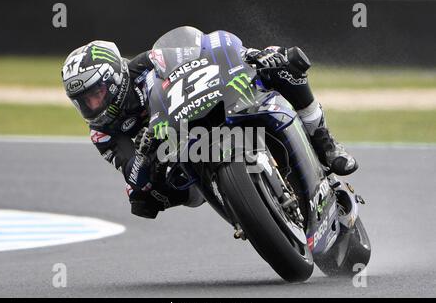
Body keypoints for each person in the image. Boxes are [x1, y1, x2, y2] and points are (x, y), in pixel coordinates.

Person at [61, 33, 357, 219]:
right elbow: (133, 176)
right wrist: (146, 152)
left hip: (205, 104)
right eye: (82, 101)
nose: (91, 105)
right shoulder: (104, 133)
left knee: (284, 61)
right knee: (144, 200)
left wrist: (249, 56)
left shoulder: (148, 63)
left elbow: (207, 47)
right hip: (178, 156)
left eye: (95, 94)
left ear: (115, 79)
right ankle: (241, 204)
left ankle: (324, 141)